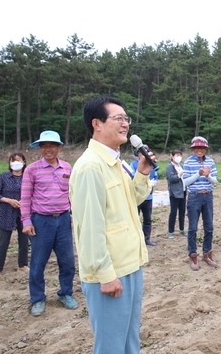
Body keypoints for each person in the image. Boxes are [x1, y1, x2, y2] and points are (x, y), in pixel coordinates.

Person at [69, 96, 154, 353]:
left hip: (130, 264)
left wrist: (142, 172)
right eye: (118, 118)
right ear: (96, 123)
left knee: (129, 340)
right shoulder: (90, 168)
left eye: (126, 119)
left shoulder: (115, 162)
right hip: (110, 272)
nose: (125, 124)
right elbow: (89, 229)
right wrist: (105, 275)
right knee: (111, 346)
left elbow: (132, 200)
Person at [20, 130, 76, 316]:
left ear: (59, 147)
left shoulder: (67, 168)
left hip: (63, 219)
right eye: (44, 145)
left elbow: (72, 195)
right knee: (37, 262)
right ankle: (37, 298)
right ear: (40, 148)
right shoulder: (32, 169)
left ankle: (65, 293)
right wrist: (26, 221)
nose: (48, 149)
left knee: (67, 260)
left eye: (52, 145)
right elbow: (25, 197)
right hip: (41, 221)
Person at [182, 136, 218, 271]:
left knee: (209, 227)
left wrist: (208, 175)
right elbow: (185, 182)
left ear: (205, 149)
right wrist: (199, 173)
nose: (199, 150)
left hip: (207, 196)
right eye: (197, 148)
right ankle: (193, 255)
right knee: (192, 228)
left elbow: (215, 181)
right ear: (193, 149)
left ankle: (207, 253)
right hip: (194, 197)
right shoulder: (188, 162)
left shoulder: (211, 161)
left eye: (202, 148)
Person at [0, 153, 29, 279]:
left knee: (24, 241)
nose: (15, 163)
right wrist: (9, 201)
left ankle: (22, 265)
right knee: (3, 242)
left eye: (18, 160)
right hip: (5, 213)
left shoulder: (27, 177)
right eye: (12, 161)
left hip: (23, 213)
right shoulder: (3, 177)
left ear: (24, 162)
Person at [130, 149, 159, 246]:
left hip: (148, 196)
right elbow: (132, 176)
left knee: (147, 218)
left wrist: (153, 181)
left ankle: (147, 238)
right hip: (137, 196)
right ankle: (136, 239)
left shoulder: (150, 164)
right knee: (136, 218)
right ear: (138, 154)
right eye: (141, 153)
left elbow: (155, 175)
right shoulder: (133, 164)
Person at [166, 149, 187, 238]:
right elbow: (171, 178)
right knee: (173, 212)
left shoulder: (181, 165)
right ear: (172, 156)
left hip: (183, 191)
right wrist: (179, 174)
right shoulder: (169, 166)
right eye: (176, 155)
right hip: (174, 192)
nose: (178, 157)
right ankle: (171, 231)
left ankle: (182, 229)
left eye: (180, 155)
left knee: (182, 211)